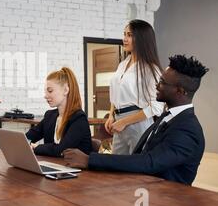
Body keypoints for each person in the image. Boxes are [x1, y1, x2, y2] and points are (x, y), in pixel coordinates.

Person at [63, 55, 208, 185]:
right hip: (143, 189)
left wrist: (90, 160)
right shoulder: (168, 117)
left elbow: (149, 162)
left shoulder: (187, 129)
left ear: (180, 91)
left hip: (165, 202)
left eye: (162, 82)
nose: (156, 85)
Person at [105, 19, 164, 154]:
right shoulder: (122, 64)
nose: (124, 39)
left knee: (135, 170)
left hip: (138, 122)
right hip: (118, 121)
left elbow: (156, 107)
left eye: (130, 35)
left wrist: (125, 122)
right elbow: (116, 94)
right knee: (116, 168)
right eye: (124, 34)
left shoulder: (151, 69)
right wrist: (111, 115)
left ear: (142, 39)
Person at [26, 67, 92, 157]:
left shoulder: (79, 119)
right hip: (55, 166)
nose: (45, 96)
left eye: (50, 91)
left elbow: (61, 150)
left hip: (78, 170)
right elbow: (29, 136)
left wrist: (36, 147)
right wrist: (21, 142)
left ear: (65, 90)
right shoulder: (50, 115)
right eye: (45, 92)